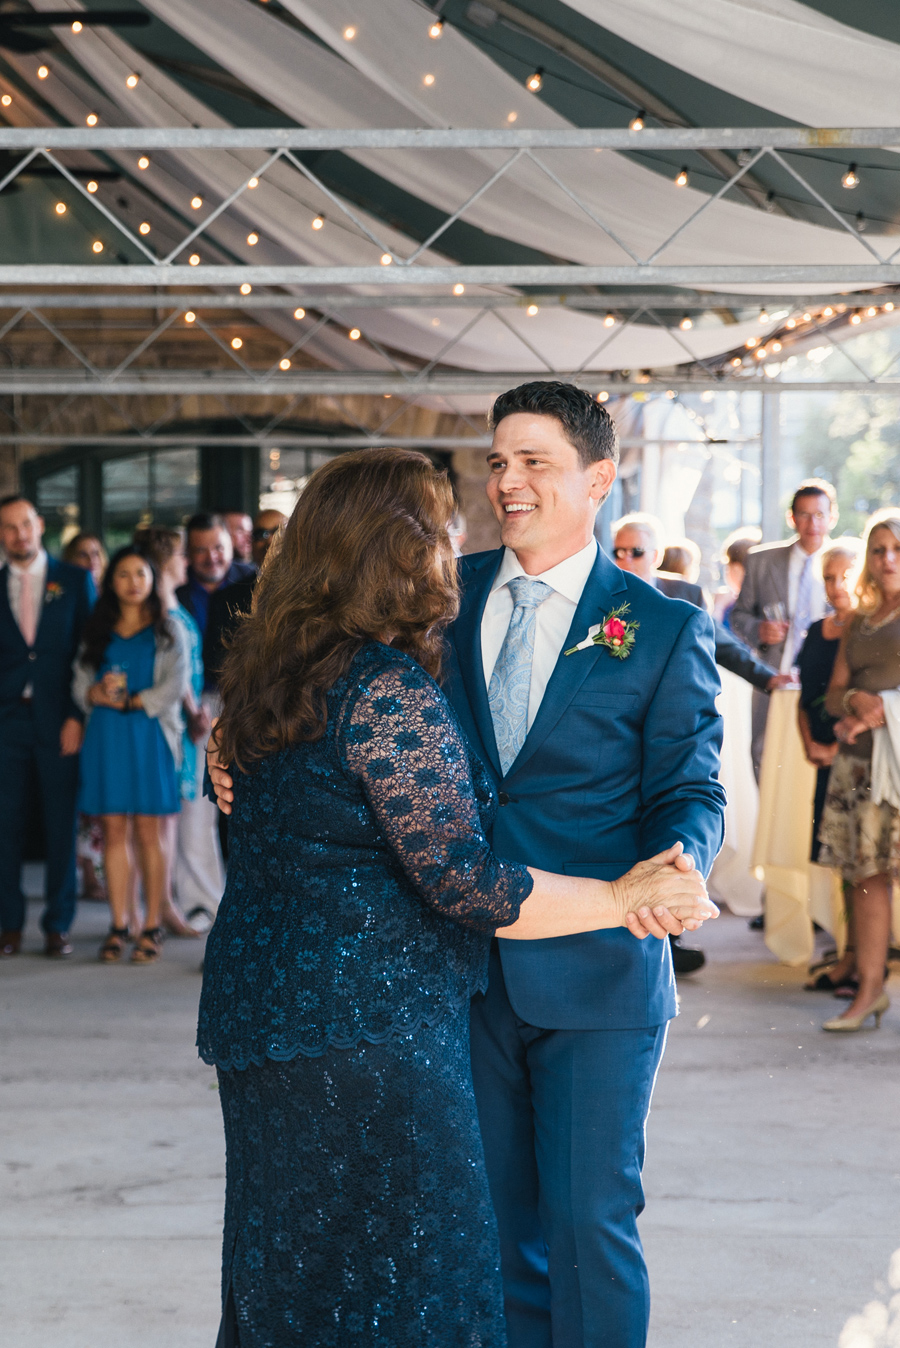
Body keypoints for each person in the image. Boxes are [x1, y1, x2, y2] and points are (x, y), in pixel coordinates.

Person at [200, 446, 718, 1346]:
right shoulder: (406, 655)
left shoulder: (271, 672)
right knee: (428, 1261)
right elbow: (462, 875)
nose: (481, 508)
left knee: (312, 1258)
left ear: (598, 476)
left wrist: (677, 868)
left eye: (532, 461)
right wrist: (623, 893)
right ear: (393, 549)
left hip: (295, 1016)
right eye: (489, 468)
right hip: (384, 1021)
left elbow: (691, 785)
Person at [612, 511, 790, 955]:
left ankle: (671, 932)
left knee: (675, 818)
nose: (625, 559)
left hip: (671, 727)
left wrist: (767, 678)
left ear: (655, 555)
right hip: (619, 733)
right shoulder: (601, 597)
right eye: (618, 551)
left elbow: (720, 643)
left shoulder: (684, 593)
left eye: (635, 551)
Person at [73, 547, 188, 964]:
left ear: (153, 580)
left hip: (150, 735)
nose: (133, 581)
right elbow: (79, 681)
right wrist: (93, 693)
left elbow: (175, 685)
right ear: (111, 582)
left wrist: (133, 701)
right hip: (106, 735)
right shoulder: (96, 630)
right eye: (123, 574)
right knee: (114, 831)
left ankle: (152, 925)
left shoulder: (168, 629)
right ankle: (119, 924)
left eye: (141, 573)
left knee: (149, 834)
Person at [0, 495, 94, 958]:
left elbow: (89, 651)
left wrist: (78, 715)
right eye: (9, 528)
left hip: (61, 721)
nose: (19, 534)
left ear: (40, 525)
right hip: (7, 722)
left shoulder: (75, 581)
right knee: (5, 827)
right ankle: (9, 926)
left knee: (61, 825)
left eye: (25, 524)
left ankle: (58, 925)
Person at [817, 510, 900, 1032]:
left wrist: (884, 706)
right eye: (878, 549)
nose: (888, 559)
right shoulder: (860, 620)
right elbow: (830, 695)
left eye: (897, 549)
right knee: (867, 877)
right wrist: (855, 699)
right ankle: (868, 991)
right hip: (860, 766)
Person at [175, 514, 254, 923]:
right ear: (189, 553)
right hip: (190, 706)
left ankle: (243, 902)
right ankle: (202, 902)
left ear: (233, 546)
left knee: (243, 801)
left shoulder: (255, 582)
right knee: (198, 807)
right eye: (202, 549)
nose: (211, 557)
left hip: (246, 702)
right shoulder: (174, 591)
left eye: (218, 547)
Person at [731, 479, 838, 777]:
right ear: (792, 518)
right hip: (775, 673)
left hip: (826, 678)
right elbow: (738, 615)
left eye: (819, 514)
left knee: (819, 756)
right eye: (804, 514)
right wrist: (758, 630)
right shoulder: (761, 560)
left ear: (833, 517)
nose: (812, 523)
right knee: (763, 754)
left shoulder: (845, 562)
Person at [134, 526, 207, 938]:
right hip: (174, 724)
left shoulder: (172, 607)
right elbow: (174, 674)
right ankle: (161, 905)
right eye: (180, 556)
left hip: (182, 724)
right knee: (164, 821)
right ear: (165, 564)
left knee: (171, 820)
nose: (186, 563)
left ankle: (166, 903)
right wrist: (195, 712)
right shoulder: (162, 613)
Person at [797, 540, 862, 995]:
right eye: (828, 577)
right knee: (842, 862)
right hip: (823, 758)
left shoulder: (871, 629)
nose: (836, 586)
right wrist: (810, 745)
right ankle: (849, 955)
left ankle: (863, 962)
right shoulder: (817, 631)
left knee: (866, 865)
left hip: (857, 759)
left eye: (845, 576)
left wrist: (837, 750)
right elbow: (804, 699)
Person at [64, 532, 109, 903]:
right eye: (82, 554)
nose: (91, 559)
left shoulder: (112, 599)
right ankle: (88, 875)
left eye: (96, 553)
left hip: (112, 712)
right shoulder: (66, 593)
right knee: (84, 800)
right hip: (79, 706)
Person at [203, 509, 286, 688]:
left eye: (279, 531)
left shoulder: (314, 592)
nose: (270, 540)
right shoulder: (226, 598)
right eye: (261, 534)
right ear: (250, 542)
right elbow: (216, 663)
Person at [713, 527, 762, 628]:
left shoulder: (733, 606)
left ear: (737, 569)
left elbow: (713, 635)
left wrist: (718, 606)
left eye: (727, 565)